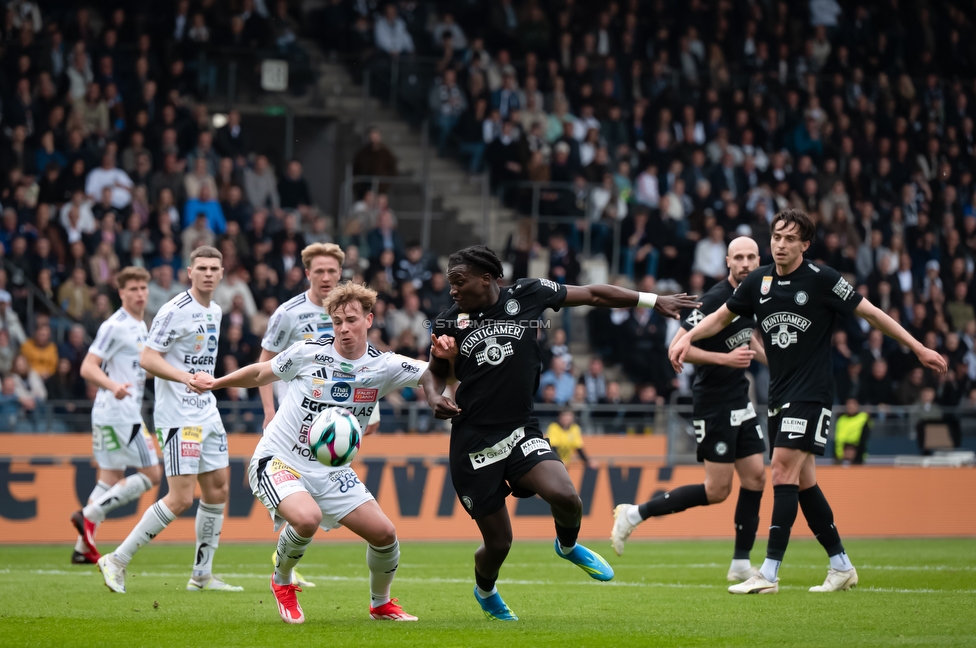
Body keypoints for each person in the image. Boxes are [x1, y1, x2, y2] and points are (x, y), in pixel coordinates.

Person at [670, 210, 947, 594]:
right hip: (778, 397)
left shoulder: (823, 280)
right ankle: (841, 565)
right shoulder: (758, 281)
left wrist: (918, 348)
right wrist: (687, 338)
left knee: (781, 470)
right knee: (803, 483)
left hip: (812, 394)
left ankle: (767, 573)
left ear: (805, 244)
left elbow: (872, 314)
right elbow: (719, 317)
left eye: (789, 238)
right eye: (776, 237)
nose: (780, 245)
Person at [421, 245, 699, 620]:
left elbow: (595, 293)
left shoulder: (528, 294)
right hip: (473, 444)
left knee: (567, 496)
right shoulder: (448, 322)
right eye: (451, 284)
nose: (452, 290)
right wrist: (434, 397)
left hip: (519, 430)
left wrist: (651, 300)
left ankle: (567, 547)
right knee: (500, 543)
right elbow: (433, 372)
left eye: (459, 281)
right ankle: (485, 590)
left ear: (486, 278)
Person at [190, 283, 436, 624]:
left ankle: (380, 604)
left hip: (332, 471)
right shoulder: (308, 352)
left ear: (369, 319)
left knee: (385, 535)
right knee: (306, 518)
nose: (344, 328)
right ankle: (282, 580)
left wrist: (447, 353)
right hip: (278, 459)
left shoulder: (386, 365)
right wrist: (217, 382)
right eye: (337, 322)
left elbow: (433, 374)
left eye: (351, 320)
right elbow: (262, 372)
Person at [611, 236, 768, 583]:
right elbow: (677, 346)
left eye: (751, 257)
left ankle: (741, 563)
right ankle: (634, 514)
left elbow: (747, 333)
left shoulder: (754, 293)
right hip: (713, 402)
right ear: (727, 261)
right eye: (738, 257)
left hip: (740, 398)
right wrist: (725, 359)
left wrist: (772, 361)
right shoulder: (714, 299)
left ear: (759, 260)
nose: (745, 263)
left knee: (756, 476)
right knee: (717, 491)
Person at [97, 247, 242, 594]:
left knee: (219, 488)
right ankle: (116, 559)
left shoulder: (218, 311)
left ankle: (202, 575)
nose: (208, 273)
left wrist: (198, 382)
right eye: (201, 268)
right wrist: (183, 377)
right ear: (189, 272)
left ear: (222, 273)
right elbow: (147, 358)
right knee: (180, 498)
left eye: (214, 268)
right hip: (178, 416)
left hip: (207, 410)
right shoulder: (173, 311)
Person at [257, 242, 379, 586]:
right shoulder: (288, 313)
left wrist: (373, 407)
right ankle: (286, 568)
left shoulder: (348, 310)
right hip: (295, 419)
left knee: (316, 489)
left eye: (332, 271)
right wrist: (269, 409)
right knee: (298, 500)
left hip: (338, 418)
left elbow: (362, 364)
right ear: (307, 273)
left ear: (340, 273)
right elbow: (265, 362)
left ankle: (287, 563)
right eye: (319, 271)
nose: (326, 277)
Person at [71, 267, 161, 565]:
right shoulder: (115, 325)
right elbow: (88, 367)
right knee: (151, 475)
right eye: (133, 289)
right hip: (120, 412)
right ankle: (89, 515)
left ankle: (82, 548)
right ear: (120, 293)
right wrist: (113, 386)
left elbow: (137, 368)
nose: (139, 294)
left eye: (142, 288)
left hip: (110, 412)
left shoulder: (140, 325)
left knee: (109, 477)